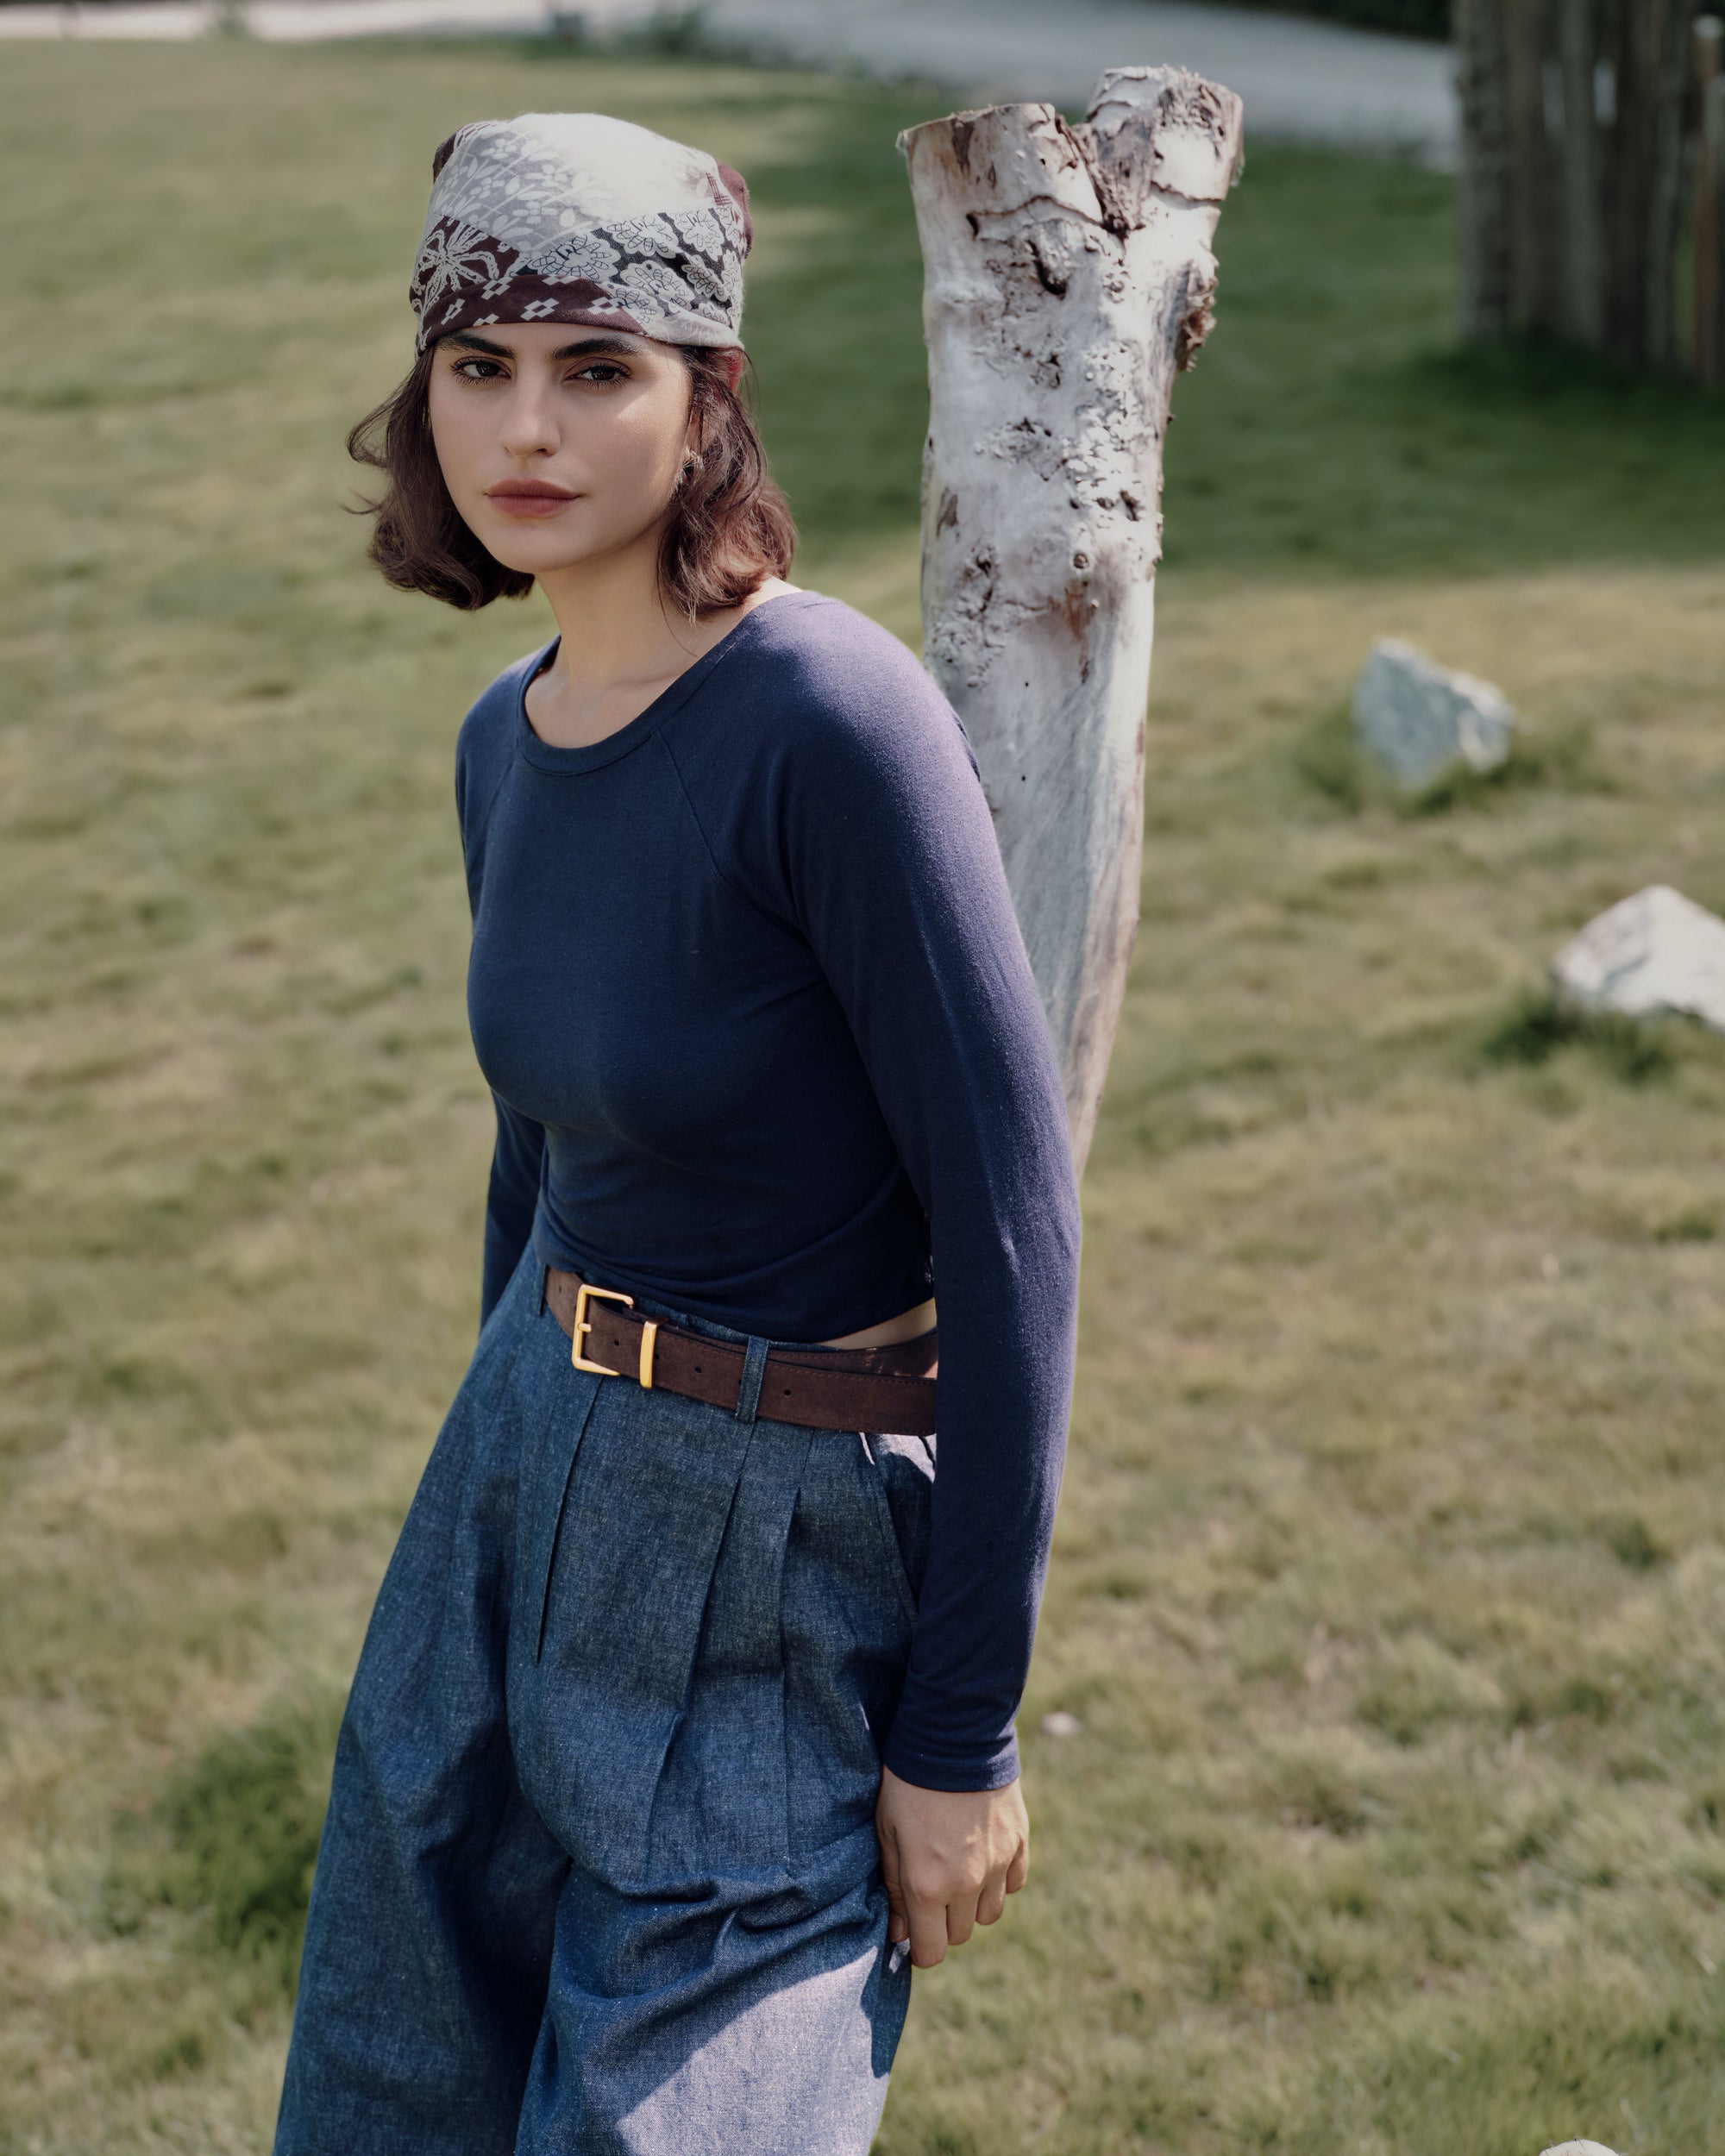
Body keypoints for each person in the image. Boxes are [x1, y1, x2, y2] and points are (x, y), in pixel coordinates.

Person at [273, 109, 1081, 2156]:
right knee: (395, 2088)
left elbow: (1009, 1241)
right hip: (517, 1488)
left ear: (705, 393)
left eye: (596, 365)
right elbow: (530, 1161)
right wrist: (494, 1470)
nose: (525, 426)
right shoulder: (503, 740)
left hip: (782, 1546)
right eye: (479, 365)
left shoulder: (826, 716)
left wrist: (961, 1727)